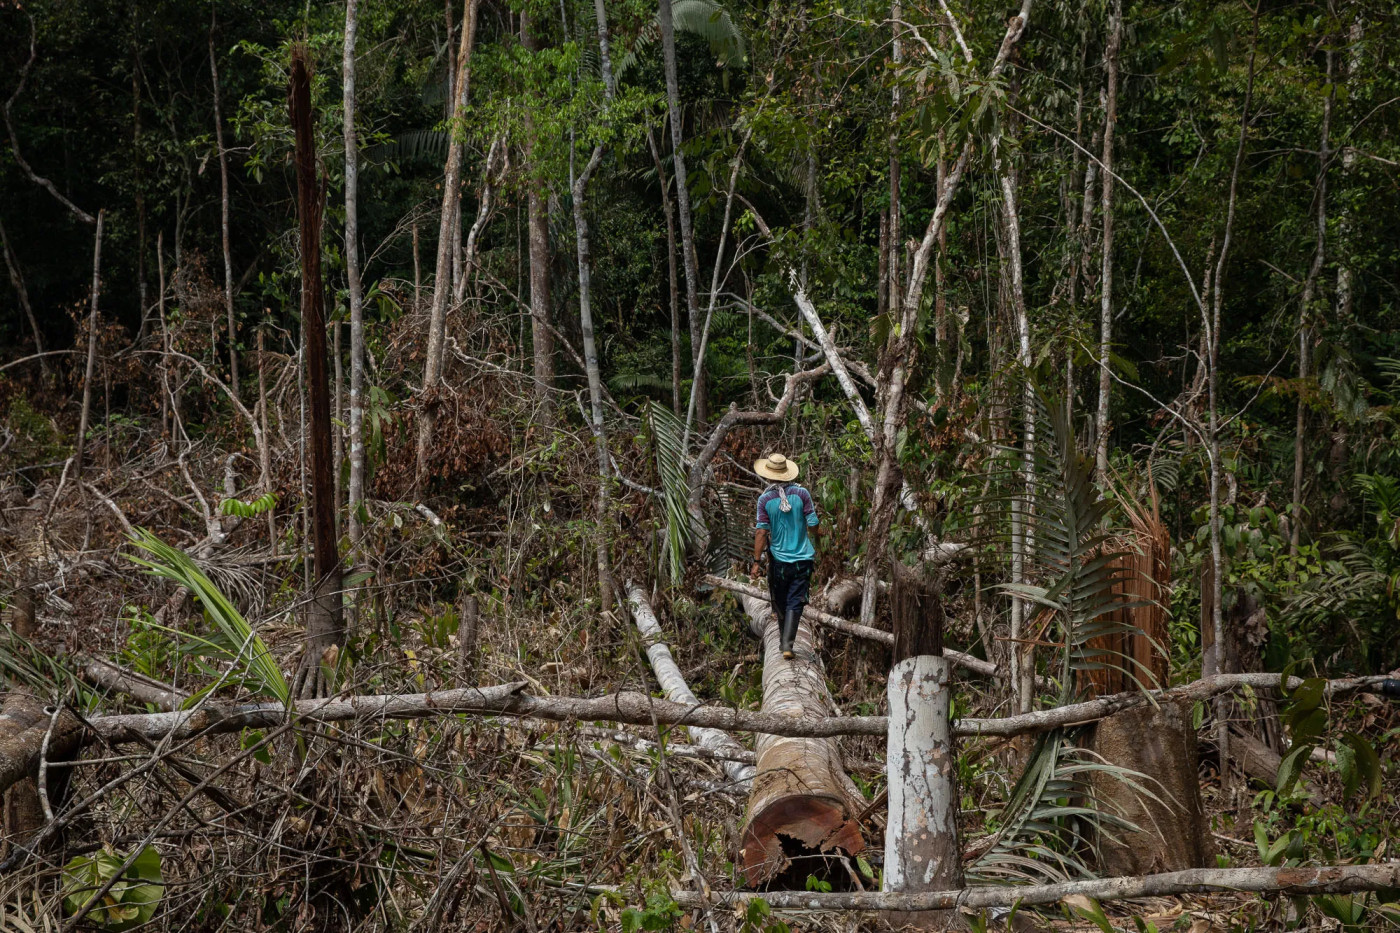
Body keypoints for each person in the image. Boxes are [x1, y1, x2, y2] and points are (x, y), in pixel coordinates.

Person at [749, 452, 819, 660]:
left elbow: (761, 531)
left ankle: (784, 640)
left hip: (779, 561)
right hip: (803, 559)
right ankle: (787, 644)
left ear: (768, 475)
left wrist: (756, 562)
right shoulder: (802, 494)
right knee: (795, 601)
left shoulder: (765, 499)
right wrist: (813, 538)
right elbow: (813, 524)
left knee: (779, 601)